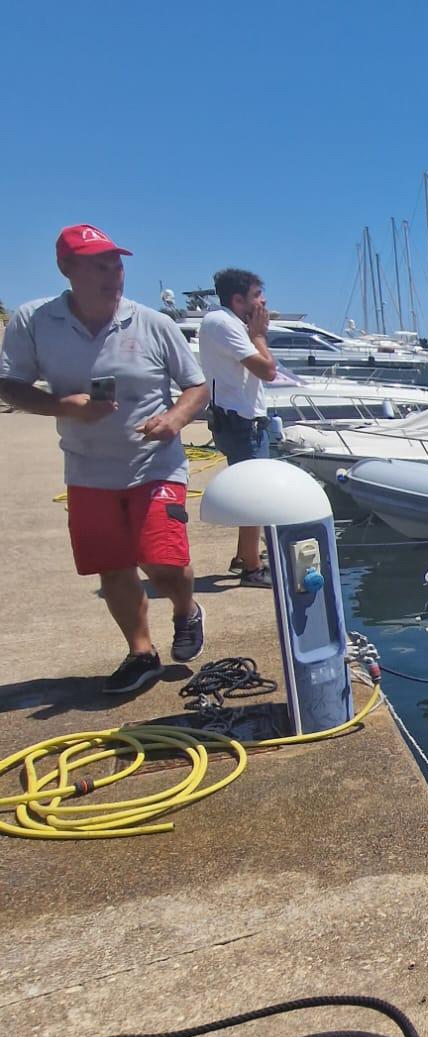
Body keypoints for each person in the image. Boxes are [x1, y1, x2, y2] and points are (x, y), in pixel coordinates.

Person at [0, 224, 210, 694]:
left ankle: (185, 610)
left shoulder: (153, 323)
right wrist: (60, 406)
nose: (113, 273)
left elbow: (197, 387)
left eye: (116, 263)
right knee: (112, 565)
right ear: (66, 268)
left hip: (154, 462)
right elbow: (9, 384)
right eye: (99, 264)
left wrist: (175, 419)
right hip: (87, 468)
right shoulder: (35, 321)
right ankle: (141, 653)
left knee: (162, 559)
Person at [198, 269, 277, 586]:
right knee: (254, 495)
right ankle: (252, 569)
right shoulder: (224, 324)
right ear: (238, 299)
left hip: (242, 420)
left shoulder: (225, 322)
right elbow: (267, 370)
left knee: (253, 492)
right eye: (258, 295)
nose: (264, 301)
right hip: (241, 424)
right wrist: (259, 335)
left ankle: (246, 555)